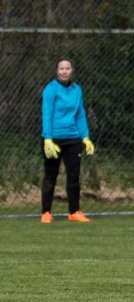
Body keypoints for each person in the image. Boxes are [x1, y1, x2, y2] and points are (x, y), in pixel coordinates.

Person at [40, 58, 95, 223]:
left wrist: (85, 137)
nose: (64, 71)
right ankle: (46, 212)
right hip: (53, 139)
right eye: (61, 69)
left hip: (73, 139)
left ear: (72, 70)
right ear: (57, 71)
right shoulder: (50, 89)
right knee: (51, 175)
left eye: (67, 68)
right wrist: (47, 139)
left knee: (74, 176)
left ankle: (74, 212)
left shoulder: (77, 89)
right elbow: (47, 114)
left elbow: (80, 115)